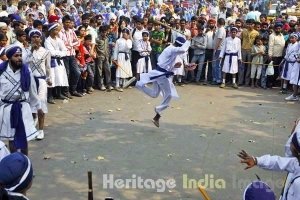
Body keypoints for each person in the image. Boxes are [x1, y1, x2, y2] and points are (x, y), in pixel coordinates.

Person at [136, 36, 195, 127]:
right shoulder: (171, 49)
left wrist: (187, 65)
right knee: (169, 95)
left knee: (154, 94)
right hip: (162, 76)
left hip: (160, 74)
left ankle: (139, 84)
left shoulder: (172, 51)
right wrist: (188, 40)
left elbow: (175, 65)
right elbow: (183, 50)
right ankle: (158, 113)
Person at [0, 44, 42, 155]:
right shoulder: (1, 71)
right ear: (9, 57)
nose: (19, 58)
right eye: (16, 56)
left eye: (20, 55)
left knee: (23, 138)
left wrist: (37, 108)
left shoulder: (26, 71)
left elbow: (33, 91)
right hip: (7, 109)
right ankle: (15, 165)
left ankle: (25, 163)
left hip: (23, 108)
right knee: (12, 138)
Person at [238, 129, 300, 200]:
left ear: (297, 151)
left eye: (292, 142)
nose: (289, 143)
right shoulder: (296, 162)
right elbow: (278, 162)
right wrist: (256, 160)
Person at [25, 29, 52, 140]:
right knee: (30, 105)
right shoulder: (26, 51)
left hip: (41, 81)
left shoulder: (46, 52)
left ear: (41, 39)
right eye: (33, 37)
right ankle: (31, 126)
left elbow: (48, 67)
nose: (36, 39)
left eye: (38, 37)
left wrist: (49, 78)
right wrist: (31, 50)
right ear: (30, 39)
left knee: (41, 104)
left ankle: (41, 130)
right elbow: (24, 63)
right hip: (30, 81)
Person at [113, 28, 133, 92]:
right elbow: (116, 50)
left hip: (126, 56)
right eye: (123, 33)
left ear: (128, 34)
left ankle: (123, 83)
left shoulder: (129, 41)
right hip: (120, 56)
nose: (124, 34)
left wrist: (127, 39)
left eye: (126, 33)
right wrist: (115, 59)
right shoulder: (118, 40)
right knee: (119, 69)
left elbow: (129, 47)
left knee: (125, 69)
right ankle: (117, 84)